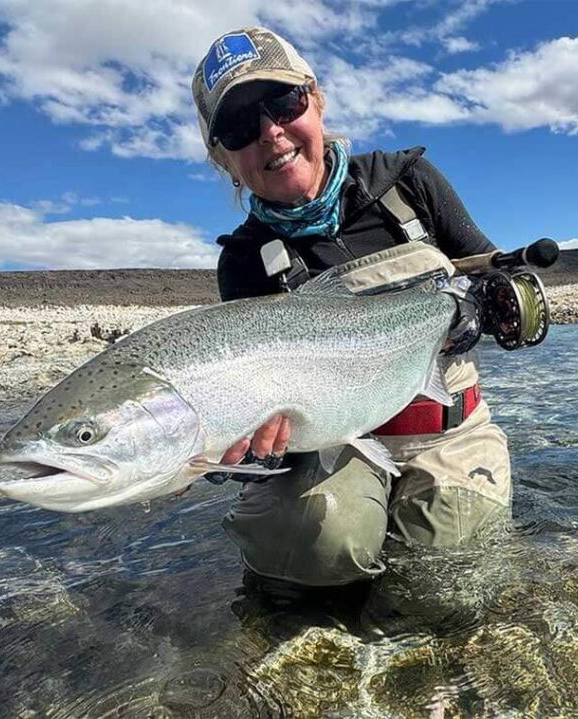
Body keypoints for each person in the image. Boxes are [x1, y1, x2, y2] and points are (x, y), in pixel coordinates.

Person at [192, 27, 511, 587]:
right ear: (223, 157)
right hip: (332, 448)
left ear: (315, 100)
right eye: (240, 125)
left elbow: (497, 276)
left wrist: (480, 309)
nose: (269, 131)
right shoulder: (244, 262)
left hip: (447, 430)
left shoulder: (408, 184)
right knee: (311, 548)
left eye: (282, 102)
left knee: (450, 583)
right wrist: (244, 453)